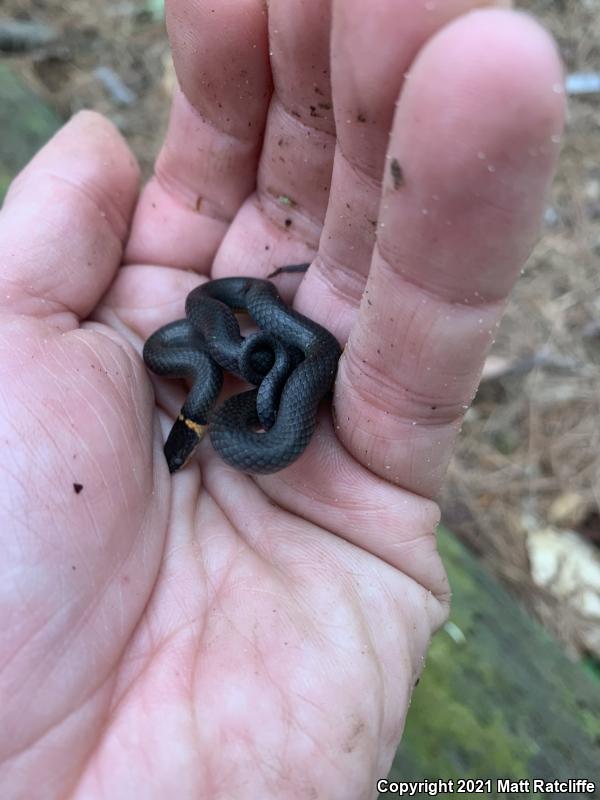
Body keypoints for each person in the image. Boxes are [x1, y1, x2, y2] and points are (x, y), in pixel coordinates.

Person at [0, 1, 564, 797]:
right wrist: (260, 358)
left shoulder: (227, 396)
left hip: (255, 345)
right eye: (191, 441)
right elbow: (226, 367)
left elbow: (242, 372)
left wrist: (257, 358)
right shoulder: (202, 372)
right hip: (252, 345)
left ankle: (274, 333)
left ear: (198, 426)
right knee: (281, 352)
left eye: (190, 440)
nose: (191, 448)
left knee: (289, 351)